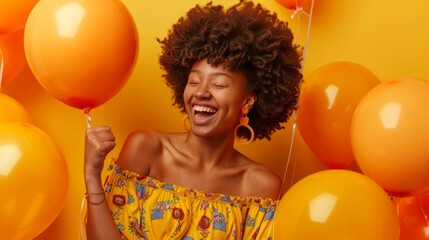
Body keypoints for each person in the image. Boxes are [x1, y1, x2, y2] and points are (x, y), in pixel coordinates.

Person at [83, 0, 302, 239]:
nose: (201, 93)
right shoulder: (147, 148)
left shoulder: (260, 186)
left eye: (218, 84)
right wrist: (92, 176)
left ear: (247, 102)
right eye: (194, 81)